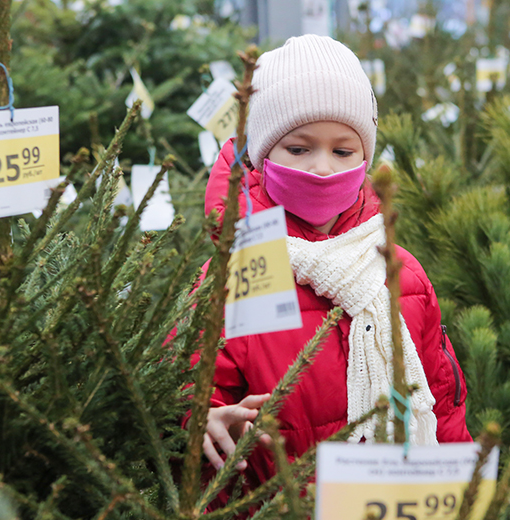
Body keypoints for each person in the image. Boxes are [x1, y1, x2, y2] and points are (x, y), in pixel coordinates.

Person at [196, 34, 471, 493]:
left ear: (365, 157)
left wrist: (460, 506)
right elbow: (191, 387)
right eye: (299, 149)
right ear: (264, 156)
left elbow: (439, 404)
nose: (323, 168)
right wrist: (202, 418)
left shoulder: (400, 273)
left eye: (343, 150)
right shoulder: (239, 270)